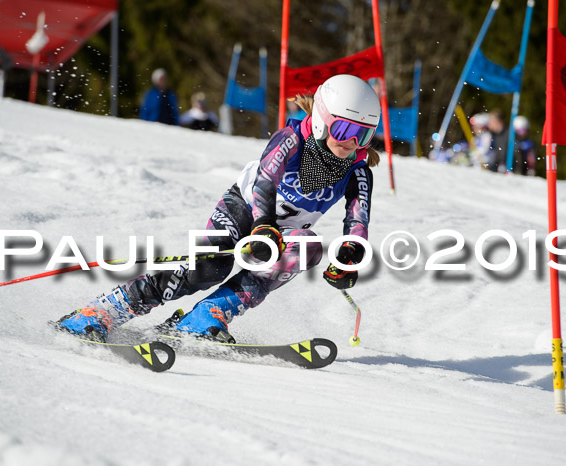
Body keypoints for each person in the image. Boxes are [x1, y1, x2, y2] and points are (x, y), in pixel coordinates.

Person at [56, 74, 381, 343]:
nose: (351, 143)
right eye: (344, 130)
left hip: (278, 231)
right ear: (323, 121)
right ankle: (106, 309)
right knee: (209, 267)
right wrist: (263, 224)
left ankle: (204, 317)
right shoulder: (292, 138)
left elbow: (358, 221)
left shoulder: (357, 170)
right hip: (244, 209)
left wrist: (350, 257)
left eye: (362, 134)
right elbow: (265, 181)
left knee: (307, 247)